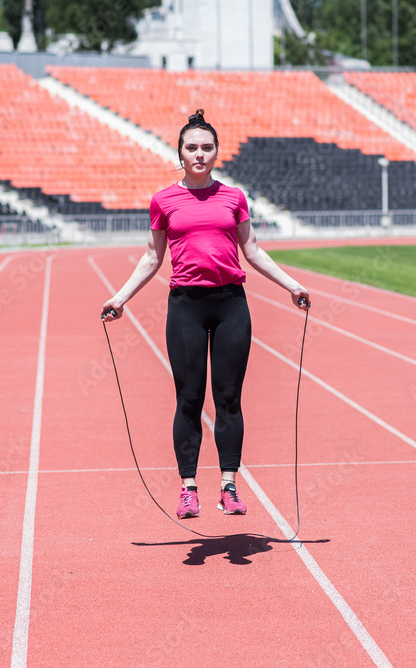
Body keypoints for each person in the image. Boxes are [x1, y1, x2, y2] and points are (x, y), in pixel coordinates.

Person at [101, 109, 310, 519]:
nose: (199, 154)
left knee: (229, 400)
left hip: (231, 304)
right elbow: (151, 257)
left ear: (217, 153)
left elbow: (252, 252)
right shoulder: (163, 200)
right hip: (186, 308)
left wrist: (293, 285)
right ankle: (188, 488)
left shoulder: (233, 197)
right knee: (189, 400)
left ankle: (229, 487)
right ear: (180, 153)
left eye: (206, 148)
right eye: (191, 148)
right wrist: (120, 298)